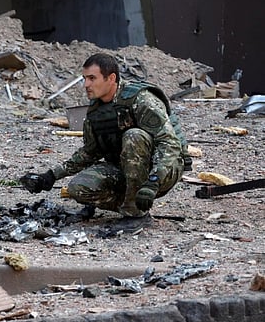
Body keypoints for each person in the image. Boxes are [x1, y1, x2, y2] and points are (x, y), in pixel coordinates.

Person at [20, 52, 184, 231]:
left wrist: (154, 180)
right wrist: (51, 176)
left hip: (163, 171)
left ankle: (136, 213)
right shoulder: (96, 111)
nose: (86, 85)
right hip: (125, 169)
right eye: (84, 79)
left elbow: (170, 144)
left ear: (111, 78)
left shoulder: (141, 99)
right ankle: (131, 201)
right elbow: (90, 152)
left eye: (92, 78)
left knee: (134, 135)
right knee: (78, 188)